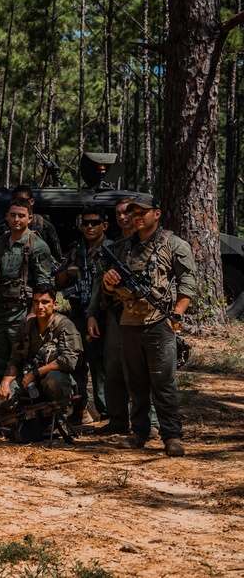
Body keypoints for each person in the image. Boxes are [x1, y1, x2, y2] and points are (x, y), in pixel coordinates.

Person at [103, 195, 196, 457]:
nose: (136, 216)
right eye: (132, 212)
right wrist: (109, 282)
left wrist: (175, 314)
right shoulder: (122, 248)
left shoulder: (174, 244)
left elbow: (188, 281)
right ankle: (139, 432)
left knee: (164, 382)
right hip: (129, 323)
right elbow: (108, 287)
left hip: (159, 322)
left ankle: (171, 435)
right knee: (136, 383)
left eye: (142, 212)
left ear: (157, 213)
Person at [0, 198, 53, 398]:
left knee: (23, 357)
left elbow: (44, 284)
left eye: (21, 215)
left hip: (22, 311)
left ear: (30, 218)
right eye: (12, 215)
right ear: (6, 217)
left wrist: (33, 313)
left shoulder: (38, 246)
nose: (16, 219)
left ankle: (22, 400)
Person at [55, 206, 111, 425]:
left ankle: (107, 413)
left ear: (104, 226)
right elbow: (58, 282)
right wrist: (69, 268)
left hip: (102, 316)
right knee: (76, 362)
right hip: (78, 314)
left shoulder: (112, 250)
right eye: (85, 223)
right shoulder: (76, 251)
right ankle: (80, 408)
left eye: (94, 222)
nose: (89, 226)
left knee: (101, 366)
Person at [87, 196, 138, 435]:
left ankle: (151, 422)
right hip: (116, 315)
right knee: (113, 367)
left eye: (127, 212)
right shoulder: (113, 247)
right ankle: (118, 419)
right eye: (118, 213)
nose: (122, 217)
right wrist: (92, 315)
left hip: (145, 316)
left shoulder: (153, 244)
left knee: (143, 369)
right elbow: (99, 284)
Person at [0, 284, 81, 409]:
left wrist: (35, 373)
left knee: (55, 380)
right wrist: (5, 383)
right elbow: (15, 360)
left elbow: (68, 361)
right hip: (29, 382)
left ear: (55, 304)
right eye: (36, 302)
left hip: (56, 380)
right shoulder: (26, 327)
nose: (40, 307)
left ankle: (61, 417)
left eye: (45, 302)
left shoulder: (65, 326)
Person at [0, 185, 63, 261]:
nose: (18, 203)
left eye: (22, 200)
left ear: (32, 201)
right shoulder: (1, 226)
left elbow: (56, 256)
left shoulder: (44, 226)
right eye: (14, 200)